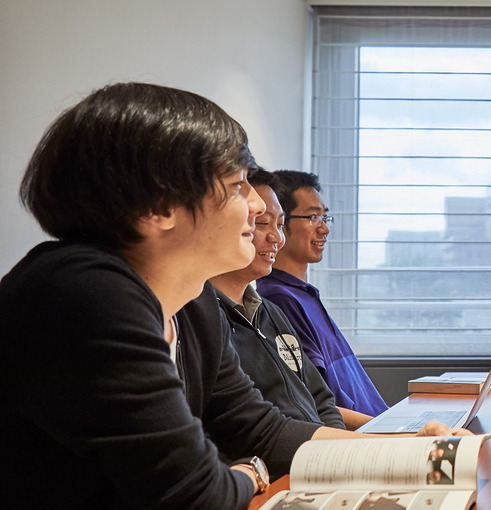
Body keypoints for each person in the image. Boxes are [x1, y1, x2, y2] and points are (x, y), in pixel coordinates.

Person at [0, 83, 458, 510]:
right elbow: (196, 495)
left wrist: (404, 449)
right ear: (158, 206)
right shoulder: (86, 292)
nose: (258, 206)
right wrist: (250, 472)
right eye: (239, 186)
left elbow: (262, 430)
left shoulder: (195, 303)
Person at [208, 168, 374, 430]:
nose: (276, 237)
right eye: (261, 223)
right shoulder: (207, 317)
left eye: (279, 224)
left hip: (324, 450)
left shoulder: (271, 312)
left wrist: (344, 448)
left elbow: (321, 401)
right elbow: (261, 429)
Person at [257, 170, 388, 416]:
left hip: (380, 427)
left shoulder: (304, 296)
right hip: (360, 439)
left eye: (325, 217)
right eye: (313, 217)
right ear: (283, 224)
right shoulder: (280, 300)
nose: (324, 229)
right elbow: (317, 404)